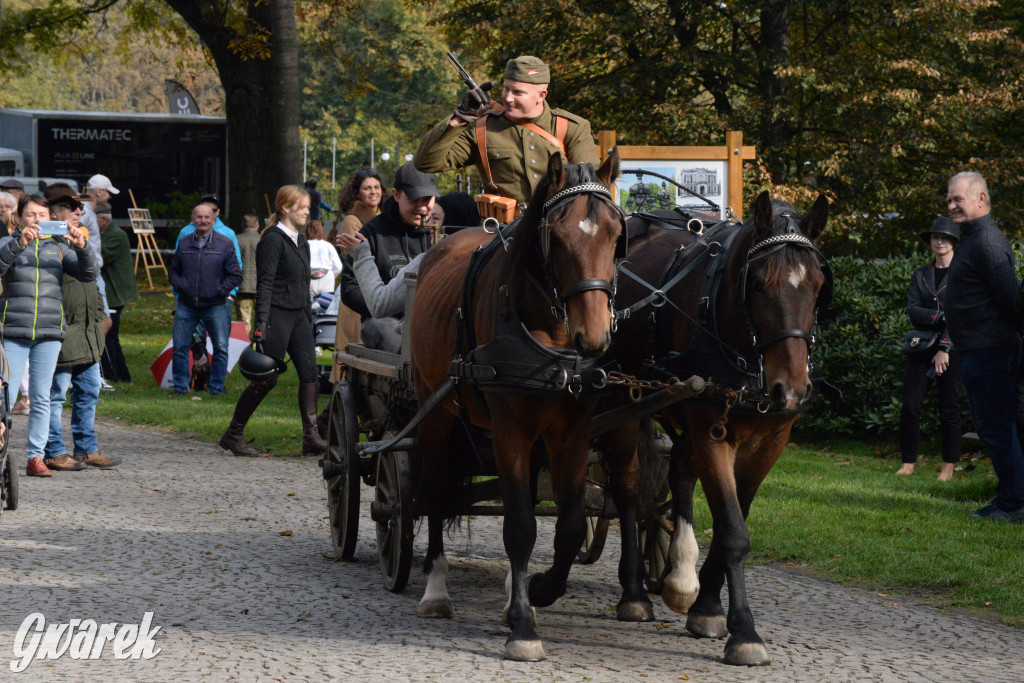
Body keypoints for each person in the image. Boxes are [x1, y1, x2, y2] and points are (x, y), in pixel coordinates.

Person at [219, 185, 327, 458]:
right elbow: (264, 284)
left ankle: (311, 437)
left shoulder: (301, 240)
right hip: (276, 316)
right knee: (267, 379)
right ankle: (233, 434)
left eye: (307, 206)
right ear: (285, 208)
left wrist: (309, 317)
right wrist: (260, 323)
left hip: (300, 317)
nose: (307, 211)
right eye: (302, 206)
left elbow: (303, 283)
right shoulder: (273, 240)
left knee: (310, 376)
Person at [943, 171, 1024, 523]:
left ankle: (1015, 504)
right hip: (980, 351)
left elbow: (1012, 303)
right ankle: (1008, 497)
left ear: (982, 200)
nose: (951, 205)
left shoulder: (987, 242)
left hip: (991, 351)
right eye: (949, 199)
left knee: (998, 429)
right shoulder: (973, 239)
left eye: (958, 198)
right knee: (997, 428)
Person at [413, 55, 599, 207]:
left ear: (541, 96)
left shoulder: (571, 128)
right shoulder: (483, 128)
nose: (508, 98)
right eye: (505, 89)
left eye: (518, 92)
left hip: (557, 231)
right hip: (501, 234)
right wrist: (460, 116)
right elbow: (426, 163)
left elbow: (588, 187)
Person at [0, 194, 97, 477]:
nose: (37, 220)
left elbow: (88, 274)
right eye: (31, 215)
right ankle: (2, 450)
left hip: (49, 331)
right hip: (13, 331)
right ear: (19, 218)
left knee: (42, 397)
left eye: (42, 215)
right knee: (5, 395)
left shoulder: (58, 247)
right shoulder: (7, 243)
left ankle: (36, 457)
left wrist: (82, 247)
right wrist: (20, 244)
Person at [43, 185, 121, 470]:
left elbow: (92, 281)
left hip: (87, 331)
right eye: (71, 207)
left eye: (79, 207)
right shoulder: (46, 239)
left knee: (89, 392)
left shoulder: (78, 238)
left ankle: (86, 448)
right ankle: (53, 450)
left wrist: (99, 315)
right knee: (56, 395)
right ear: (53, 211)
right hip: (64, 330)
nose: (79, 211)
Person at [339, 163, 437, 353]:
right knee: (380, 328)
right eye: (414, 199)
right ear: (396, 195)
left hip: (429, 320)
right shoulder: (371, 232)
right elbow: (350, 289)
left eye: (427, 199)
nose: (422, 207)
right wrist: (395, 308)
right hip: (385, 321)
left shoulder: (437, 231)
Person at [897, 217, 962, 481]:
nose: (939, 241)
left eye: (944, 237)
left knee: (950, 409)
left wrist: (944, 347)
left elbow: (962, 315)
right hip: (920, 347)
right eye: (935, 237)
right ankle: (908, 463)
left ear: (954, 242)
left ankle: (948, 467)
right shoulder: (920, 274)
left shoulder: (962, 274)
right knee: (910, 407)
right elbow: (913, 311)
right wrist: (941, 317)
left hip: (952, 350)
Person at [168, 202, 241, 396]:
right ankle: (180, 388)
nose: (203, 220)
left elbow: (235, 274)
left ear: (213, 219)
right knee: (180, 347)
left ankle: (216, 388)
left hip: (215, 304)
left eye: (207, 217)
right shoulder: (184, 243)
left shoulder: (225, 243)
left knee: (221, 347)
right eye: (199, 217)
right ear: (192, 220)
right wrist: (180, 286)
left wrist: (220, 291)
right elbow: (173, 270)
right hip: (187, 303)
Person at [330, 168, 385, 371]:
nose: (373, 192)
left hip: (379, 292)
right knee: (354, 353)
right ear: (357, 193)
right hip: (358, 294)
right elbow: (355, 257)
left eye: (377, 187)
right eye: (367, 188)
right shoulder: (352, 220)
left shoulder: (383, 218)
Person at [98, 203, 138, 383]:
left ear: (104, 219)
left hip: (115, 293)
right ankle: (120, 375)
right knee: (112, 336)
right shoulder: (108, 234)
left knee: (109, 335)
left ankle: (113, 374)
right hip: (113, 291)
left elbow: (100, 258)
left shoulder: (115, 235)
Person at [236, 214, 261, 336]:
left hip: (242, 285)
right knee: (261, 319)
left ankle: (244, 348)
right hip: (260, 285)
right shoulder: (263, 239)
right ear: (257, 226)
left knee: (244, 321)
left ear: (243, 226)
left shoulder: (236, 239)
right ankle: (260, 345)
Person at [306, 220, 343, 303]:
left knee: (309, 307)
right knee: (325, 306)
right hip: (327, 278)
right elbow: (338, 266)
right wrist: (330, 275)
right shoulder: (328, 245)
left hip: (309, 277)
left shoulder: (305, 245)